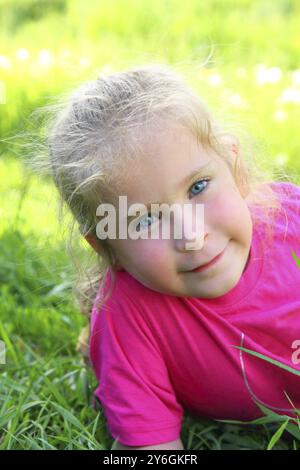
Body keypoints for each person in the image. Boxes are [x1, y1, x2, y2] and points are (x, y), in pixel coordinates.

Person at [42, 63, 300, 450]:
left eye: (198, 187)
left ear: (234, 166)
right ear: (108, 248)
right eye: (145, 220)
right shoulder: (127, 315)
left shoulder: (290, 219)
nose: (191, 236)